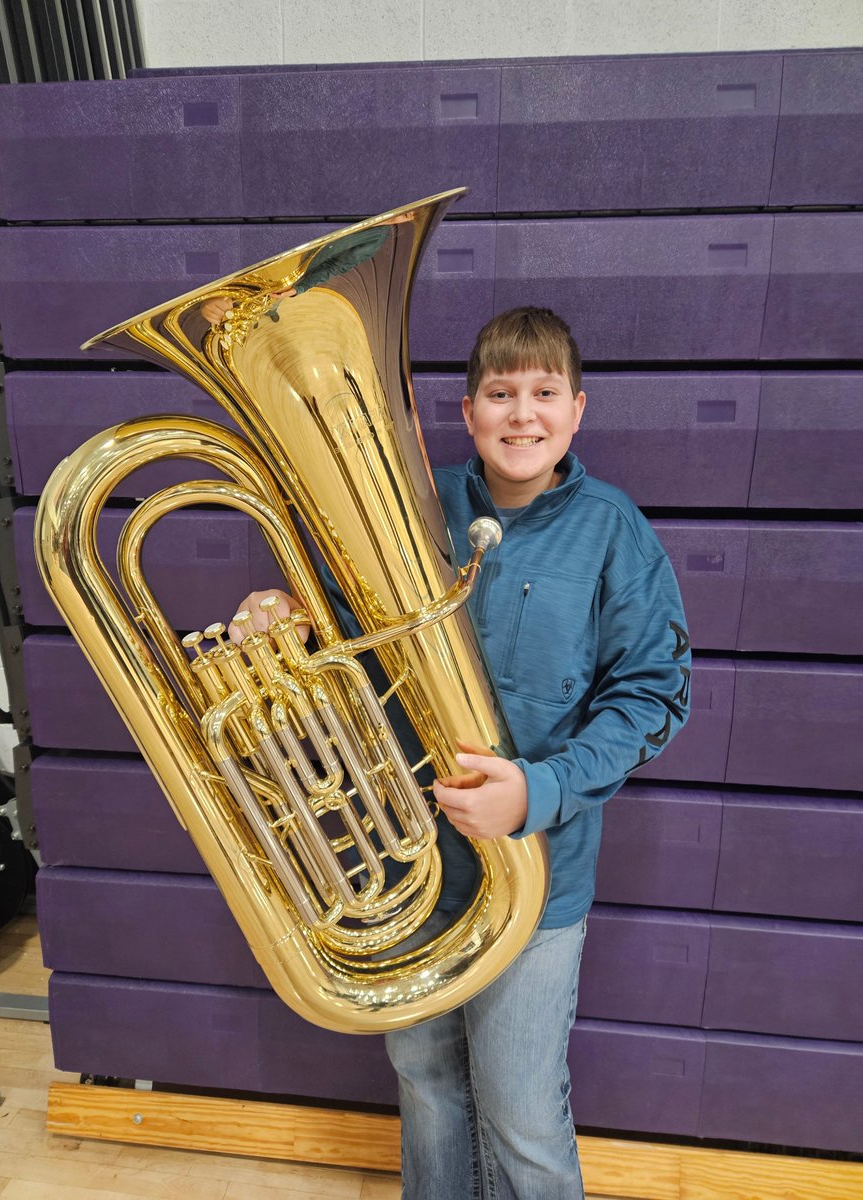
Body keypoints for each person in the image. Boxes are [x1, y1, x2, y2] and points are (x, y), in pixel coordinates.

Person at [232, 307, 691, 1199]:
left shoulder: (612, 530)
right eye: (501, 393)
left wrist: (538, 790)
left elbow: (655, 696)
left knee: (520, 1109)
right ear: (469, 410)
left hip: (538, 873)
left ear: (578, 409)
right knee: (429, 1084)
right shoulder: (415, 505)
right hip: (418, 870)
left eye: (544, 393)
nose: (523, 414)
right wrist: (284, 615)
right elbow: (340, 621)